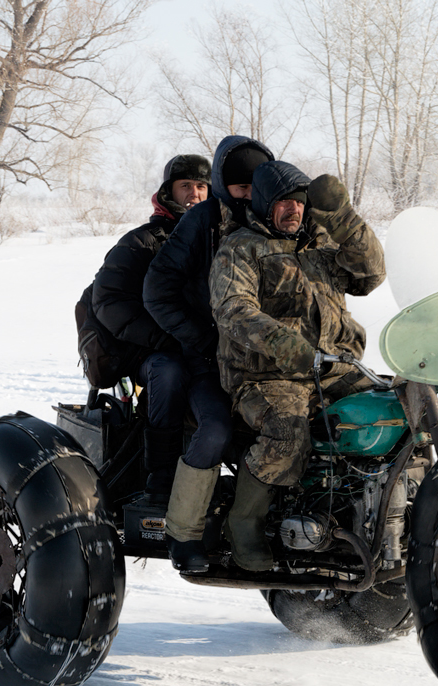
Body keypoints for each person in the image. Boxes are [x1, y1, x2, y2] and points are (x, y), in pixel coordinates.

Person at [208, 160, 385, 572]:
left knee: (396, 411)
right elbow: (233, 310)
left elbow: (369, 274)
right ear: (266, 204)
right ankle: (243, 523)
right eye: (284, 203)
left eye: (300, 203)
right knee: (287, 432)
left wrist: (342, 218)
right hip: (267, 374)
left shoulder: (319, 244)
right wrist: (288, 346)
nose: (295, 210)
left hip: (335, 366)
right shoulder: (241, 248)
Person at [143, 135, 274, 570]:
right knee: (215, 430)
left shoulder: (277, 215)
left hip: (269, 362)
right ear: (222, 186)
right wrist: (202, 341)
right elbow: (157, 291)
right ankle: (183, 532)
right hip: (210, 362)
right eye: (241, 189)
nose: (251, 197)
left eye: (257, 187)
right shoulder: (201, 221)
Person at [88, 153, 211, 499]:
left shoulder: (220, 238)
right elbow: (108, 301)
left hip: (205, 345)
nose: (194, 194)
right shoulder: (142, 241)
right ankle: (161, 474)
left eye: (202, 186)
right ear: (168, 190)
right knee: (168, 372)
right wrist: (163, 338)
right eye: (185, 185)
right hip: (152, 352)